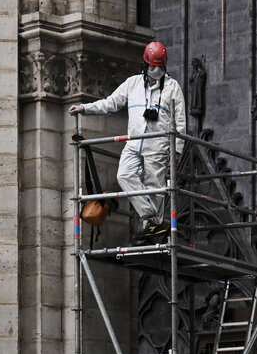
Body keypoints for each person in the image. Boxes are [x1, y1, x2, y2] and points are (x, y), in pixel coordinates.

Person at [69, 41, 186, 245]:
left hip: (157, 146)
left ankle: (150, 233)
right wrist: (85, 108)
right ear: (145, 64)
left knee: (154, 188)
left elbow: (181, 121)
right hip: (133, 143)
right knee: (124, 175)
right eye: (152, 66)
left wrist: (176, 150)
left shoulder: (172, 87)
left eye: (159, 67)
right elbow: (110, 103)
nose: (155, 70)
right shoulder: (132, 83)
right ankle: (153, 220)